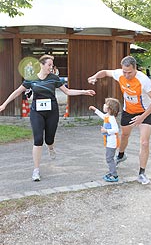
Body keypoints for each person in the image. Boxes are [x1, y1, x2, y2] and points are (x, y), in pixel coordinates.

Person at [0, 54, 95, 182]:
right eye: (49, 65)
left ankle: (50, 148)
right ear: (41, 65)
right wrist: (4, 104)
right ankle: (36, 170)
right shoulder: (31, 79)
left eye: (52, 65)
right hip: (36, 112)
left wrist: (84, 92)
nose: (51, 67)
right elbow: (17, 91)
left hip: (52, 112)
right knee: (38, 139)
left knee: (49, 139)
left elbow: (67, 91)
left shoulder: (54, 78)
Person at [88, 55, 151, 185]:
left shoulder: (143, 80)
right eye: (124, 72)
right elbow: (104, 72)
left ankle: (142, 173)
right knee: (125, 135)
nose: (126, 75)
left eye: (129, 72)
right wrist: (94, 77)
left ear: (135, 68)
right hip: (128, 111)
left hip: (144, 112)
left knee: (144, 143)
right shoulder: (119, 73)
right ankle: (121, 155)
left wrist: (141, 118)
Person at [89, 98, 120, 182]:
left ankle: (114, 175)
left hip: (112, 142)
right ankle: (112, 172)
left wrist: (106, 131)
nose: (104, 105)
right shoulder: (108, 116)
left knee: (109, 158)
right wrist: (95, 109)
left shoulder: (111, 118)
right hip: (109, 141)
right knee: (109, 158)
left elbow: (116, 130)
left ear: (110, 108)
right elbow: (102, 116)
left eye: (106, 104)